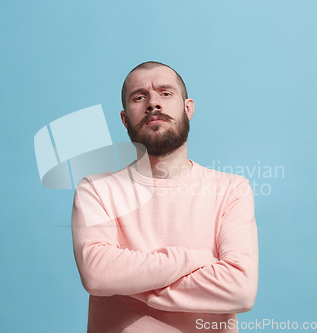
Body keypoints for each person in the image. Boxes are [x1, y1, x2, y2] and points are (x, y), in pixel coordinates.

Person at [71, 61, 259, 332]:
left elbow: (240, 290)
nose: (153, 104)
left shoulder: (231, 189)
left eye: (165, 93)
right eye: (140, 97)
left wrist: (129, 282)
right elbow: (97, 275)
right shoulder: (95, 189)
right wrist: (197, 259)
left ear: (188, 108)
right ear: (125, 119)